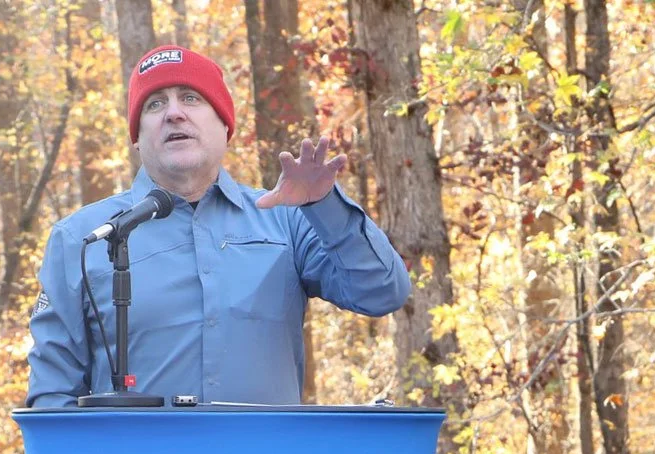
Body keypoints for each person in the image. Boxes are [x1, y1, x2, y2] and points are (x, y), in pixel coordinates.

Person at [26, 44, 411, 407]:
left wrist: (326, 207)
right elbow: (52, 395)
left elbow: (382, 293)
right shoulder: (83, 239)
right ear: (137, 138)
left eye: (190, 98)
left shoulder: (288, 220)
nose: (174, 113)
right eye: (155, 104)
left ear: (225, 125)